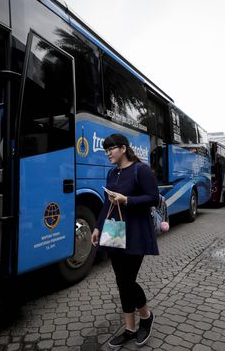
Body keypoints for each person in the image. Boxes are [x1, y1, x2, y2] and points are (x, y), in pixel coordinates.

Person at [91, 134, 159, 348]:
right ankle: (129, 329)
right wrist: (97, 227)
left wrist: (127, 200)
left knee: (128, 281)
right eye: (106, 150)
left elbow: (153, 198)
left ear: (123, 148)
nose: (108, 153)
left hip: (137, 233)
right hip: (115, 232)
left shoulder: (141, 170)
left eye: (111, 149)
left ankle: (146, 317)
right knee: (122, 281)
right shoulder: (112, 173)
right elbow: (107, 204)